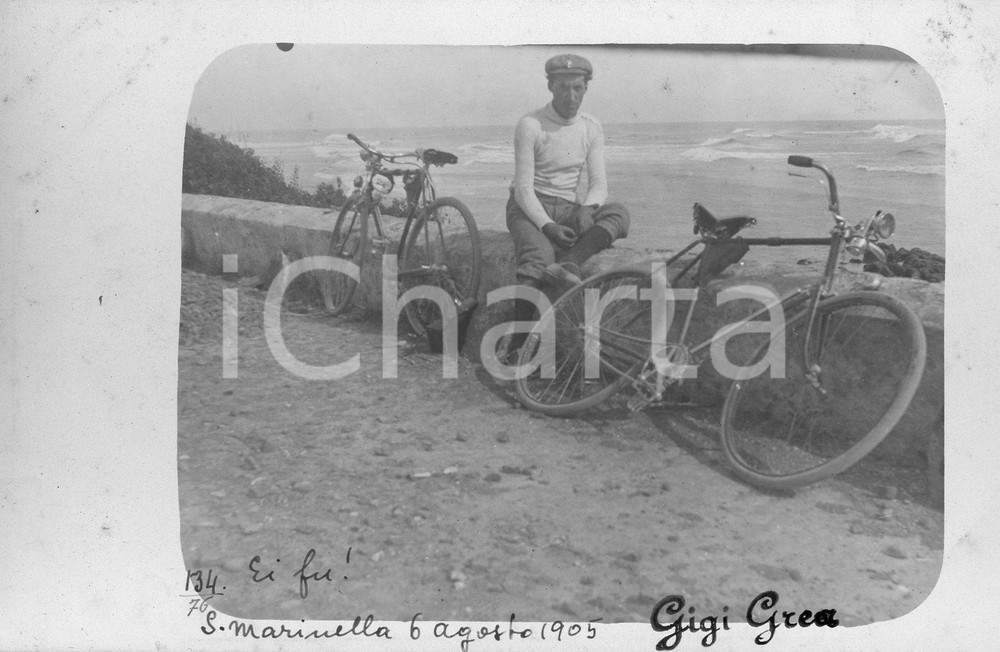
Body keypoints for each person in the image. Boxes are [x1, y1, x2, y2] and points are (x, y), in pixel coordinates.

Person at [500, 53, 630, 359]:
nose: (570, 96)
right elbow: (523, 189)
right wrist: (548, 226)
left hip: (568, 207)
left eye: (577, 88)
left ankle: (568, 263)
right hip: (529, 209)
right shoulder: (531, 124)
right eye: (562, 87)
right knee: (537, 259)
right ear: (550, 86)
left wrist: (587, 208)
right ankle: (517, 345)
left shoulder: (590, 127)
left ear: (586, 88)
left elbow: (598, 184)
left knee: (619, 213)